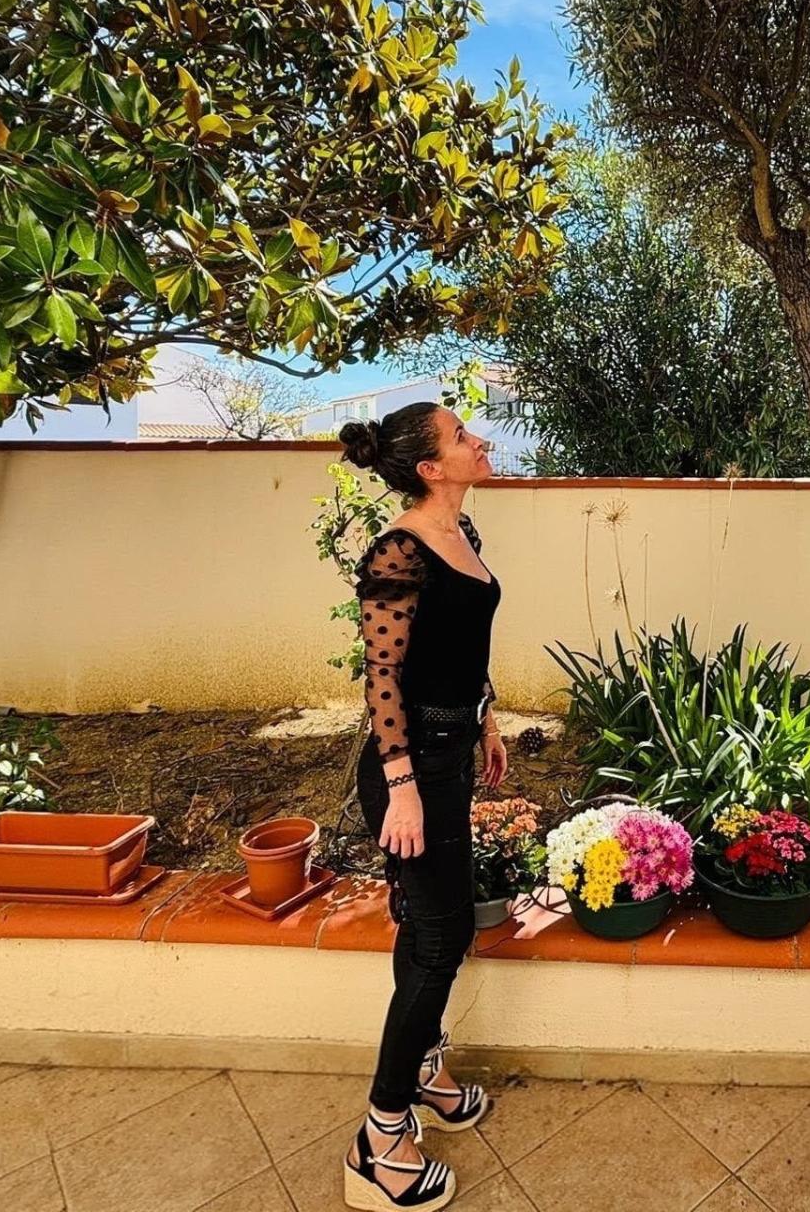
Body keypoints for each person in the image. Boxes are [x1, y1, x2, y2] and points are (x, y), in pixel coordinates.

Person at [336, 401, 508, 1211]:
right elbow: (383, 676)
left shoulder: (460, 533)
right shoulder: (398, 551)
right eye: (463, 435)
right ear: (432, 468)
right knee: (442, 940)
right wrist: (402, 786)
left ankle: (426, 1071)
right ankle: (379, 1138)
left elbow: (462, 646)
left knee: (430, 929)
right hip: (412, 771)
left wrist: (487, 720)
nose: (481, 439)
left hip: (451, 752)